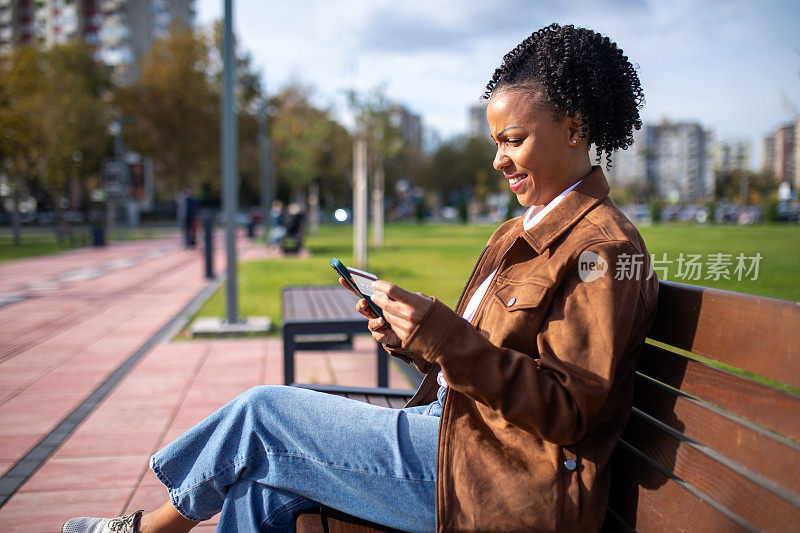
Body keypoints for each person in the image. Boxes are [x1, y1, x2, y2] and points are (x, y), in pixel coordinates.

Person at [62, 23, 657, 533]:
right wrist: (413, 339)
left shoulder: (599, 249)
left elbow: (568, 412)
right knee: (260, 489)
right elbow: (486, 364)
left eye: (514, 140)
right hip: (457, 437)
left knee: (264, 414)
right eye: (496, 142)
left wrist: (447, 338)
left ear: (576, 129)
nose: (498, 159)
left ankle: (146, 529)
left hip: (502, 478)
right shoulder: (517, 233)